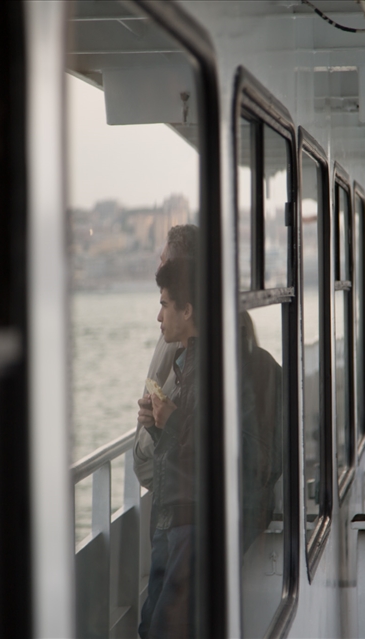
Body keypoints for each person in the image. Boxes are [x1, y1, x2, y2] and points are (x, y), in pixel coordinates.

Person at [139, 257, 199, 639]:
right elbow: (183, 447)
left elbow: (208, 455)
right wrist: (156, 425)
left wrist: (171, 421)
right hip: (174, 519)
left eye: (164, 304)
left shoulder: (205, 370)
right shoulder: (185, 362)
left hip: (188, 522)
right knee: (150, 624)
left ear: (186, 309)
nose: (159, 317)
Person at [134, 225, 198, 489]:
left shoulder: (179, 338)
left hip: (177, 489)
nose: (158, 270)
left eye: (163, 262)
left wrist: (155, 429)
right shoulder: (175, 331)